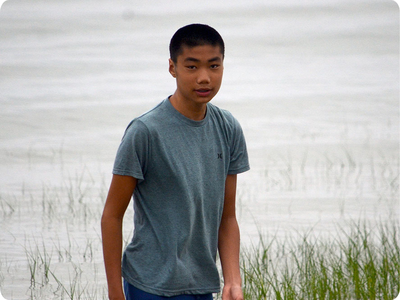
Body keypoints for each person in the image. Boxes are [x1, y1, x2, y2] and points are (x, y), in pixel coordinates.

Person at [101, 24, 250, 300]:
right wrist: (114, 292)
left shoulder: (228, 128)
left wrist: (232, 281)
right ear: (173, 67)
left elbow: (227, 217)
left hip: (202, 284)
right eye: (192, 67)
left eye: (213, 66)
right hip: (150, 284)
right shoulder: (145, 132)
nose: (204, 78)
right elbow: (111, 215)